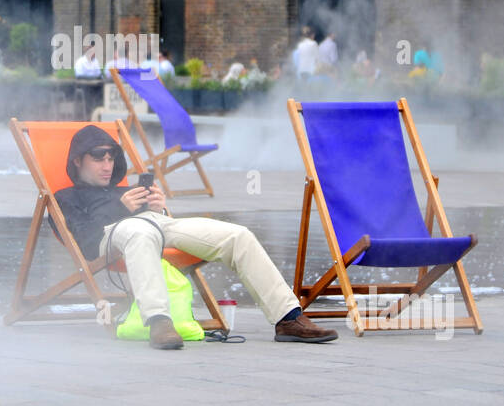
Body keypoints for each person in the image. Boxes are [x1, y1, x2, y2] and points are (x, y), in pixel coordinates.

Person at [55, 125, 338, 350]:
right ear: (78, 161)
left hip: (157, 225)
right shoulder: (65, 198)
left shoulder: (123, 189)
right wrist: (121, 209)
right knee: (140, 232)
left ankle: (287, 318)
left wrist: (158, 205)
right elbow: (87, 244)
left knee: (237, 235)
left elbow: (160, 222)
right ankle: (158, 320)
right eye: (98, 158)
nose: (107, 165)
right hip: (114, 236)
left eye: (110, 158)